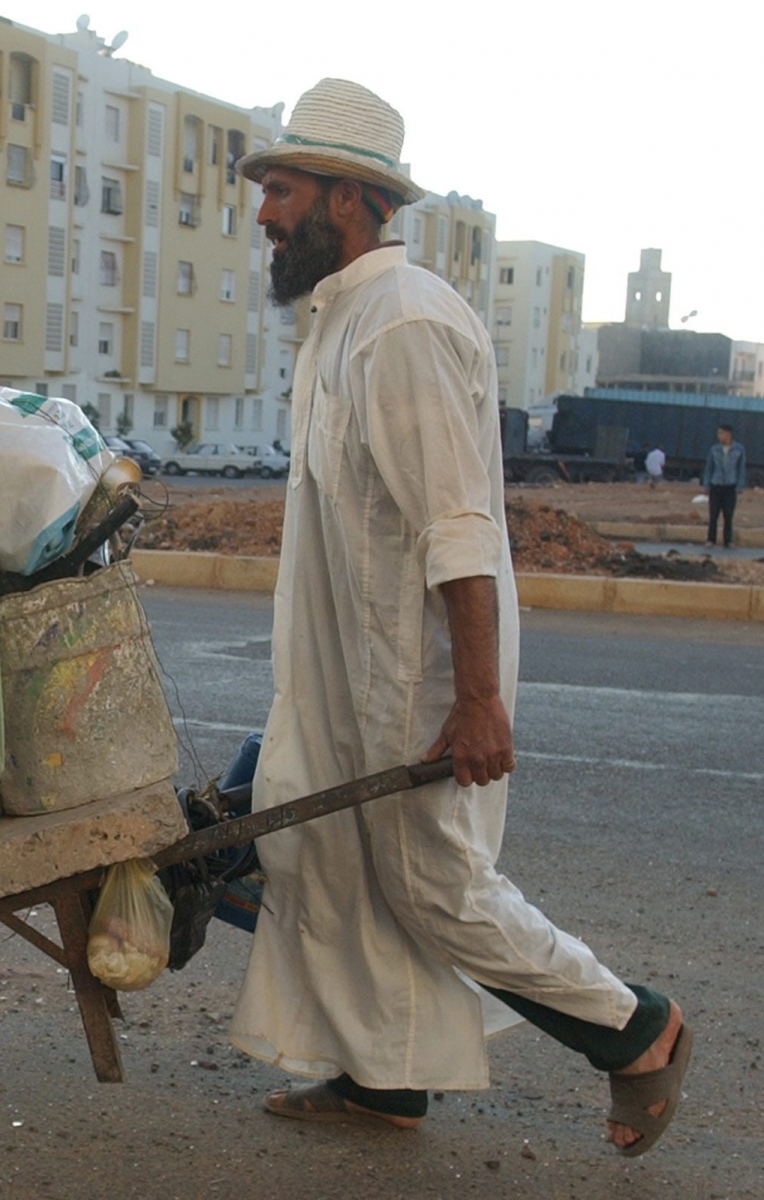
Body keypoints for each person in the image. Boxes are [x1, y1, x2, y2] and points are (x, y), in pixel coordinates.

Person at [229, 78, 690, 1157]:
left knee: (433, 886)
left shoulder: (401, 326)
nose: (262, 215)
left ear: (350, 201)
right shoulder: (343, 322)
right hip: (346, 667)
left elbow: (458, 528)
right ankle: (385, 1080)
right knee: (329, 855)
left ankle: (635, 1031)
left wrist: (477, 698)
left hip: (413, 676)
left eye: (282, 191)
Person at [701, 424, 746, 546]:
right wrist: (706, 485)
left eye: (721, 433)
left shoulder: (739, 449)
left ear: (728, 434)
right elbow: (709, 468)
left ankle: (728, 540)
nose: (719, 436)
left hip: (730, 486)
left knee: (728, 515)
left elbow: (741, 469)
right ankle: (711, 539)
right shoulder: (714, 449)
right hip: (716, 485)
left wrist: (739, 486)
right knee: (713, 514)